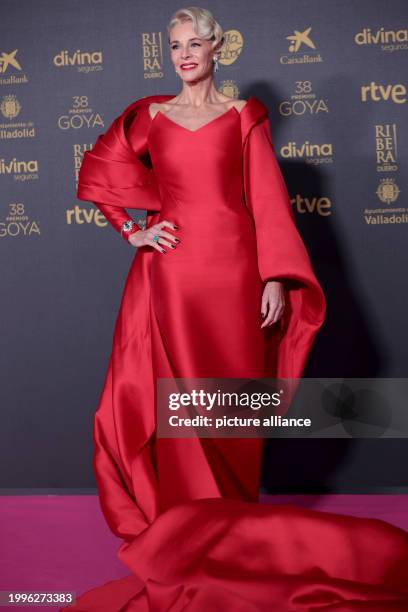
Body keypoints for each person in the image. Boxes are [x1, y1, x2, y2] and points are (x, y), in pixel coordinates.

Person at [63, 7, 408, 611]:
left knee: (233, 404)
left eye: (196, 43)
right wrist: (132, 232)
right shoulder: (151, 117)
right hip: (170, 277)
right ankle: (186, 528)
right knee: (179, 395)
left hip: (235, 275)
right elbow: (99, 170)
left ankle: (233, 525)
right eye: (175, 46)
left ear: (218, 47)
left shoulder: (243, 116)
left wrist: (275, 277)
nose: (185, 54)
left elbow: (268, 200)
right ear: (166, 53)